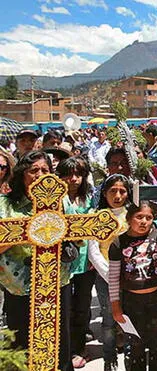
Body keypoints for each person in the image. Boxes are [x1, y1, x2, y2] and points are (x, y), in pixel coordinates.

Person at [0, 151, 74, 370]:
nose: (40, 175)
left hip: (55, 286)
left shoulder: (62, 202)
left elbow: (78, 238)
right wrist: (26, 231)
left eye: (45, 170)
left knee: (59, 348)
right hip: (19, 289)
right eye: (34, 170)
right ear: (22, 174)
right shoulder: (6, 205)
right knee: (22, 348)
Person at [109, 201, 157, 371]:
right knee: (134, 342)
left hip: (156, 298)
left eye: (149, 217)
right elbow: (114, 276)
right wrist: (115, 305)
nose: (144, 221)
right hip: (131, 301)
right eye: (139, 217)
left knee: (155, 340)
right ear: (129, 218)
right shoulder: (118, 243)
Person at [89, 174, 132, 371]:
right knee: (108, 320)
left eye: (122, 191)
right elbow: (93, 251)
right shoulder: (97, 217)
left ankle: (132, 358)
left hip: (130, 277)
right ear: (104, 193)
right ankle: (109, 359)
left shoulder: (131, 215)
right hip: (105, 276)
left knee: (129, 318)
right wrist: (110, 275)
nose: (117, 195)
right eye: (112, 191)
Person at [58, 156, 96, 369]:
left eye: (78, 174)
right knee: (64, 308)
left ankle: (78, 348)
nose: (73, 179)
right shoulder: (53, 200)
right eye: (67, 174)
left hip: (85, 263)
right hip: (61, 264)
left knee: (82, 307)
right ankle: (64, 349)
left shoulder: (90, 198)